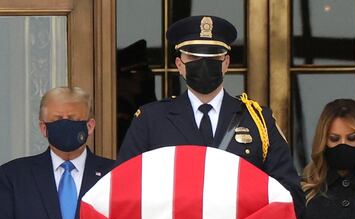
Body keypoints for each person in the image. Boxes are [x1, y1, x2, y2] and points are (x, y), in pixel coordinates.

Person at [117, 15, 300, 195]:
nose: (204, 64)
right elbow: (122, 188)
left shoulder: (258, 121)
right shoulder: (151, 120)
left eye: (213, 58)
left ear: (226, 63)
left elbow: (289, 192)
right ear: (180, 65)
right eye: (194, 58)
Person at [0, 87, 114, 219]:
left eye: (73, 119)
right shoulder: (12, 177)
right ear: (43, 128)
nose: (65, 124)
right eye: (57, 119)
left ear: (89, 126)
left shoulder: (115, 174)